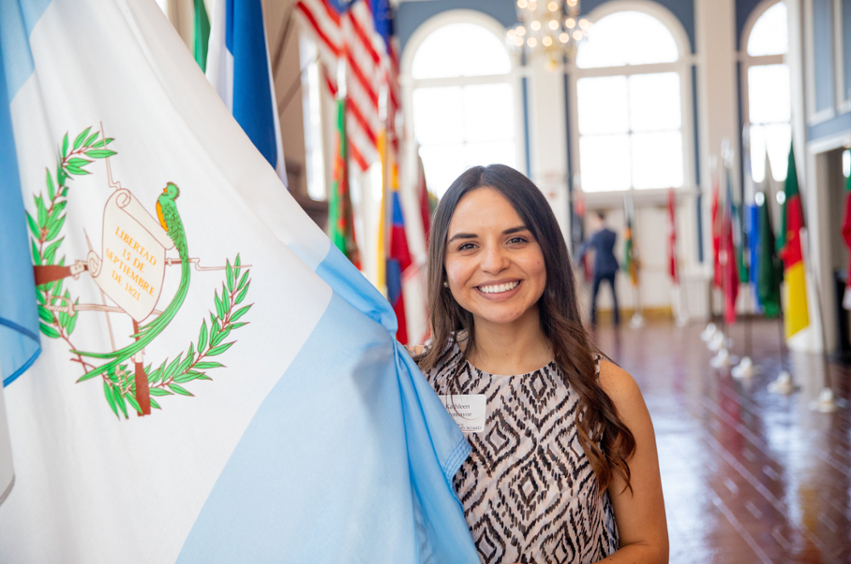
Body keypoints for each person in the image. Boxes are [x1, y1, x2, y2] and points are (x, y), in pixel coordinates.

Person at [413, 165, 667, 564]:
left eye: (516, 239)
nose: (494, 263)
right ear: (443, 269)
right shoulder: (415, 385)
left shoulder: (610, 392)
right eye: (467, 246)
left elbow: (649, 548)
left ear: (547, 251)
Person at [578, 212, 620, 326]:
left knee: (595, 295)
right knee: (614, 294)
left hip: (600, 267)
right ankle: (617, 320)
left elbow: (585, 247)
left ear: (598, 219)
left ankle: (593, 320)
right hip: (611, 266)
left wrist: (576, 258)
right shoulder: (613, 233)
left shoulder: (596, 235)